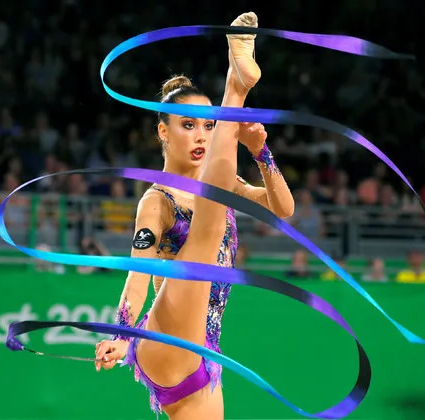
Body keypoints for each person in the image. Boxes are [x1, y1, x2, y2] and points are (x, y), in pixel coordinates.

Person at [94, 12, 295, 420]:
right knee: (209, 220)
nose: (201, 135)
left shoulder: (224, 181)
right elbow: (137, 275)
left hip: (204, 351)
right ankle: (234, 88)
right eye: (188, 125)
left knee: (214, 204)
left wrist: (261, 153)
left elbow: (283, 209)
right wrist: (121, 334)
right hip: (164, 338)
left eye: (209, 126)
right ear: (163, 132)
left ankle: (236, 88)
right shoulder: (157, 200)